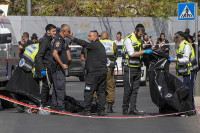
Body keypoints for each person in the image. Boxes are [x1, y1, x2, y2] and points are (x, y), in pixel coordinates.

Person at [66, 30, 107, 116]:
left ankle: (87, 110)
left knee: (88, 91)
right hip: (102, 73)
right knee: (101, 92)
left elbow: (83, 43)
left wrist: (72, 38)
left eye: (90, 36)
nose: (88, 37)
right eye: (88, 36)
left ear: (96, 37)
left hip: (94, 73)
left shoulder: (94, 45)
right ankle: (101, 110)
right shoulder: (100, 46)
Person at [122, 24, 152, 115]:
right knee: (128, 89)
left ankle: (133, 109)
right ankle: (125, 108)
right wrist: (144, 51)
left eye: (142, 34)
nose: (141, 36)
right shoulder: (128, 39)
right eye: (140, 34)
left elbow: (140, 49)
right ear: (135, 31)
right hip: (130, 68)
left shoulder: (140, 39)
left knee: (135, 90)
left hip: (138, 67)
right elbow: (131, 54)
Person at [168, 31, 198, 114]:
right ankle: (189, 108)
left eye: (174, 39)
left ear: (178, 39)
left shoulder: (186, 46)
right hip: (186, 72)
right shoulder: (179, 46)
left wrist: (174, 60)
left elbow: (186, 59)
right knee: (186, 89)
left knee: (189, 90)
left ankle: (191, 109)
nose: (173, 40)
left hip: (190, 71)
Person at [35, 24, 57, 108]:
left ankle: (45, 102)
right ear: (48, 31)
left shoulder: (50, 40)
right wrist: (42, 69)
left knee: (48, 85)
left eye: (55, 31)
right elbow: (39, 56)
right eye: (53, 31)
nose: (55, 33)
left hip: (49, 66)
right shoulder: (45, 40)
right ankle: (43, 103)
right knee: (46, 85)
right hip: (46, 67)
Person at [51, 24, 72, 111]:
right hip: (58, 68)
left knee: (57, 88)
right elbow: (55, 53)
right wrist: (62, 64)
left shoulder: (63, 40)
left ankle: (55, 107)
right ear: (63, 31)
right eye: (68, 31)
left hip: (60, 69)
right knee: (60, 88)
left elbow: (68, 57)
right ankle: (60, 107)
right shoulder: (58, 40)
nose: (70, 33)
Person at [100, 31, 118, 113]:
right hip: (109, 68)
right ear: (108, 36)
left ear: (101, 36)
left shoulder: (98, 42)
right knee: (110, 86)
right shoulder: (112, 43)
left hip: (99, 68)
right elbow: (116, 54)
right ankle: (109, 106)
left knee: (98, 86)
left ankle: (98, 105)